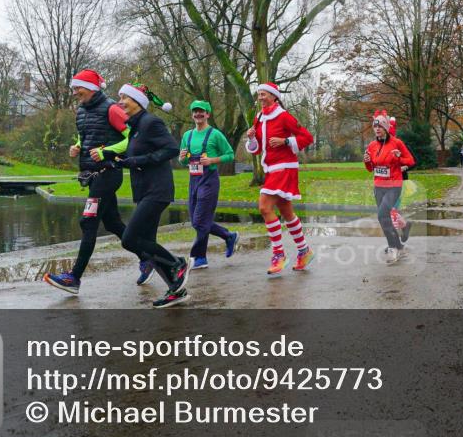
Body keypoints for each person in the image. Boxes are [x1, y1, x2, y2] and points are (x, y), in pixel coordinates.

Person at [43, 69, 128, 295]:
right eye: (73, 88)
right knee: (113, 224)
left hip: (108, 173)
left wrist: (107, 151)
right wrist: (77, 146)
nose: (75, 92)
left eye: (78, 88)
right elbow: (86, 135)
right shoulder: (81, 111)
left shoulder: (112, 108)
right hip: (92, 175)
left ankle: (74, 278)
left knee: (88, 222)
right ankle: (150, 258)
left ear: (91, 88)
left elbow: (134, 138)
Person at [111, 83, 191, 307]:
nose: (120, 102)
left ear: (137, 101)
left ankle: (177, 264)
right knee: (147, 243)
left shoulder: (151, 122)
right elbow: (136, 156)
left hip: (157, 190)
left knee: (130, 239)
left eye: (124, 97)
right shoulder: (135, 128)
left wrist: (137, 161)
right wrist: (116, 163)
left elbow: (171, 149)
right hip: (144, 191)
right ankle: (176, 288)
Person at [244, 82, 315, 276]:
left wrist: (285, 141)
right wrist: (251, 138)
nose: (260, 98)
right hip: (270, 169)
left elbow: (307, 137)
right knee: (286, 211)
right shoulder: (258, 117)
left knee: (264, 207)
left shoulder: (284, 116)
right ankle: (304, 251)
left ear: (275, 97)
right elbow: (258, 149)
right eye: (258, 94)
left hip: (284, 168)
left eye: (264, 94)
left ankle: (278, 255)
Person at [178, 100, 239, 269]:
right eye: (195, 111)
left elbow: (230, 155)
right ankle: (226, 238)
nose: (198, 114)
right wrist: (182, 158)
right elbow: (182, 162)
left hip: (209, 180)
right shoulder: (187, 136)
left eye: (201, 111)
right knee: (197, 220)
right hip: (193, 179)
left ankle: (196, 256)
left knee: (199, 220)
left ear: (208, 114)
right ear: (192, 115)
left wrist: (212, 160)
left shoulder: (215, 134)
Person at [364, 111, 416, 264]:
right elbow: (370, 168)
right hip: (378, 186)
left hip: (394, 185)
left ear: (386, 127)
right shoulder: (372, 145)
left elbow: (411, 161)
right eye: (375, 127)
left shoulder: (397, 143)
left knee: (382, 215)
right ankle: (398, 245)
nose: (377, 129)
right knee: (384, 218)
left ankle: (392, 247)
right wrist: (367, 161)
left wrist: (399, 157)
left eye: (380, 126)